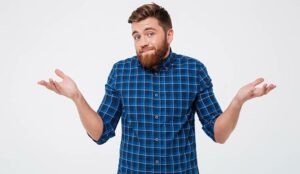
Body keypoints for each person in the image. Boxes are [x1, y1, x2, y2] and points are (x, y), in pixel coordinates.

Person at [38, 3, 276, 174]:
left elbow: (218, 134)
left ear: (169, 34)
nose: (142, 42)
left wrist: (238, 101)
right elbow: (100, 133)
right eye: (136, 36)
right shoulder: (120, 72)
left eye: (150, 34)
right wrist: (77, 98)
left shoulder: (194, 71)